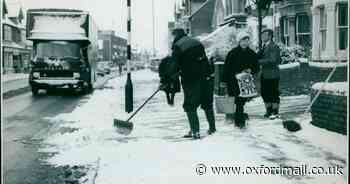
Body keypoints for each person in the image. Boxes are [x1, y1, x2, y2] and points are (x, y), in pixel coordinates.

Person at [171, 28, 216, 139]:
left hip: (190, 79)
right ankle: (212, 129)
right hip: (206, 77)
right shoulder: (196, 42)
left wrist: (168, 78)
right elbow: (203, 59)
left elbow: (174, 65)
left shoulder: (178, 46)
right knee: (207, 103)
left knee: (190, 105)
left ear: (176, 35)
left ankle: (195, 131)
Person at [223, 31, 259, 128]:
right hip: (233, 81)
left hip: (245, 82)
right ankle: (237, 119)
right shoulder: (232, 53)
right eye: (243, 40)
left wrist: (250, 70)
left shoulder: (251, 53)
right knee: (234, 100)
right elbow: (226, 68)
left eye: (247, 40)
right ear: (239, 41)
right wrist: (224, 81)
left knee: (240, 102)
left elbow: (256, 67)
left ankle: (239, 121)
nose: (245, 43)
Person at [258, 29, 281, 119]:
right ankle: (268, 110)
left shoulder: (273, 46)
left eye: (264, 35)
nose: (262, 37)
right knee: (265, 93)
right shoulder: (264, 46)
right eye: (262, 35)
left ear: (270, 36)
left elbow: (273, 60)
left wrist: (259, 62)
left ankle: (275, 111)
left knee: (273, 93)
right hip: (264, 74)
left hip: (273, 74)